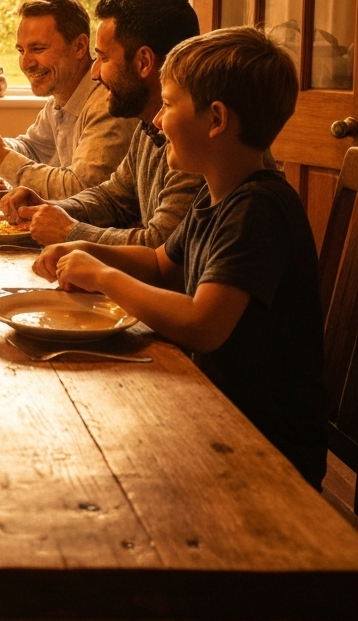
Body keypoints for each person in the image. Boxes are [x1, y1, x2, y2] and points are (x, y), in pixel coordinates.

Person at [33, 27, 327, 489]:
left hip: (263, 445)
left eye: (168, 105)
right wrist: (85, 247)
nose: (156, 121)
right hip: (215, 407)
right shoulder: (216, 196)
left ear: (215, 120)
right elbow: (159, 264)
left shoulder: (259, 208)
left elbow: (201, 325)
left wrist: (104, 276)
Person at [1, 0, 203, 247]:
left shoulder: (196, 138)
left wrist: (70, 231)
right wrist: (50, 208)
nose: (95, 72)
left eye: (104, 58)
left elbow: (161, 244)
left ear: (143, 62)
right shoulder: (148, 125)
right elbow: (113, 197)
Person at [0, 0, 135, 197]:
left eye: (38, 48)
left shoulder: (107, 104)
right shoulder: (60, 97)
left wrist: (1, 157)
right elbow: (33, 149)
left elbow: (80, 190)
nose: (26, 63)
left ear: (80, 46)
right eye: (21, 51)